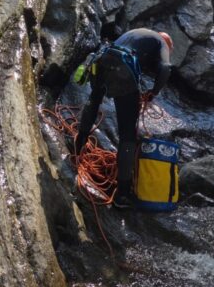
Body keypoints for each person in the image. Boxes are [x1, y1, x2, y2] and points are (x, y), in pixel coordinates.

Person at [74, 27, 173, 209]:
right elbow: (165, 68)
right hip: (122, 67)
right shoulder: (162, 43)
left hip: (102, 59)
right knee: (128, 134)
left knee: (94, 101)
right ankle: (122, 194)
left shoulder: (138, 33)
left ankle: (77, 147)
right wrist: (153, 92)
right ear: (167, 42)